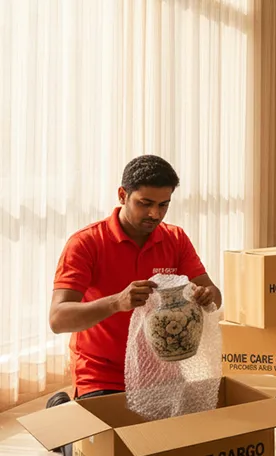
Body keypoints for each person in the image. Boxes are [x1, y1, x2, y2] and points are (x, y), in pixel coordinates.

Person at [45, 155, 222, 456]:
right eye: (145, 202)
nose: (155, 213)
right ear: (122, 195)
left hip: (162, 372)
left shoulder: (176, 239)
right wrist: (117, 302)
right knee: (110, 451)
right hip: (102, 374)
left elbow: (214, 295)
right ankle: (61, 415)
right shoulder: (86, 243)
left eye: (163, 204)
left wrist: (207, 296)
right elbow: (58, 320)